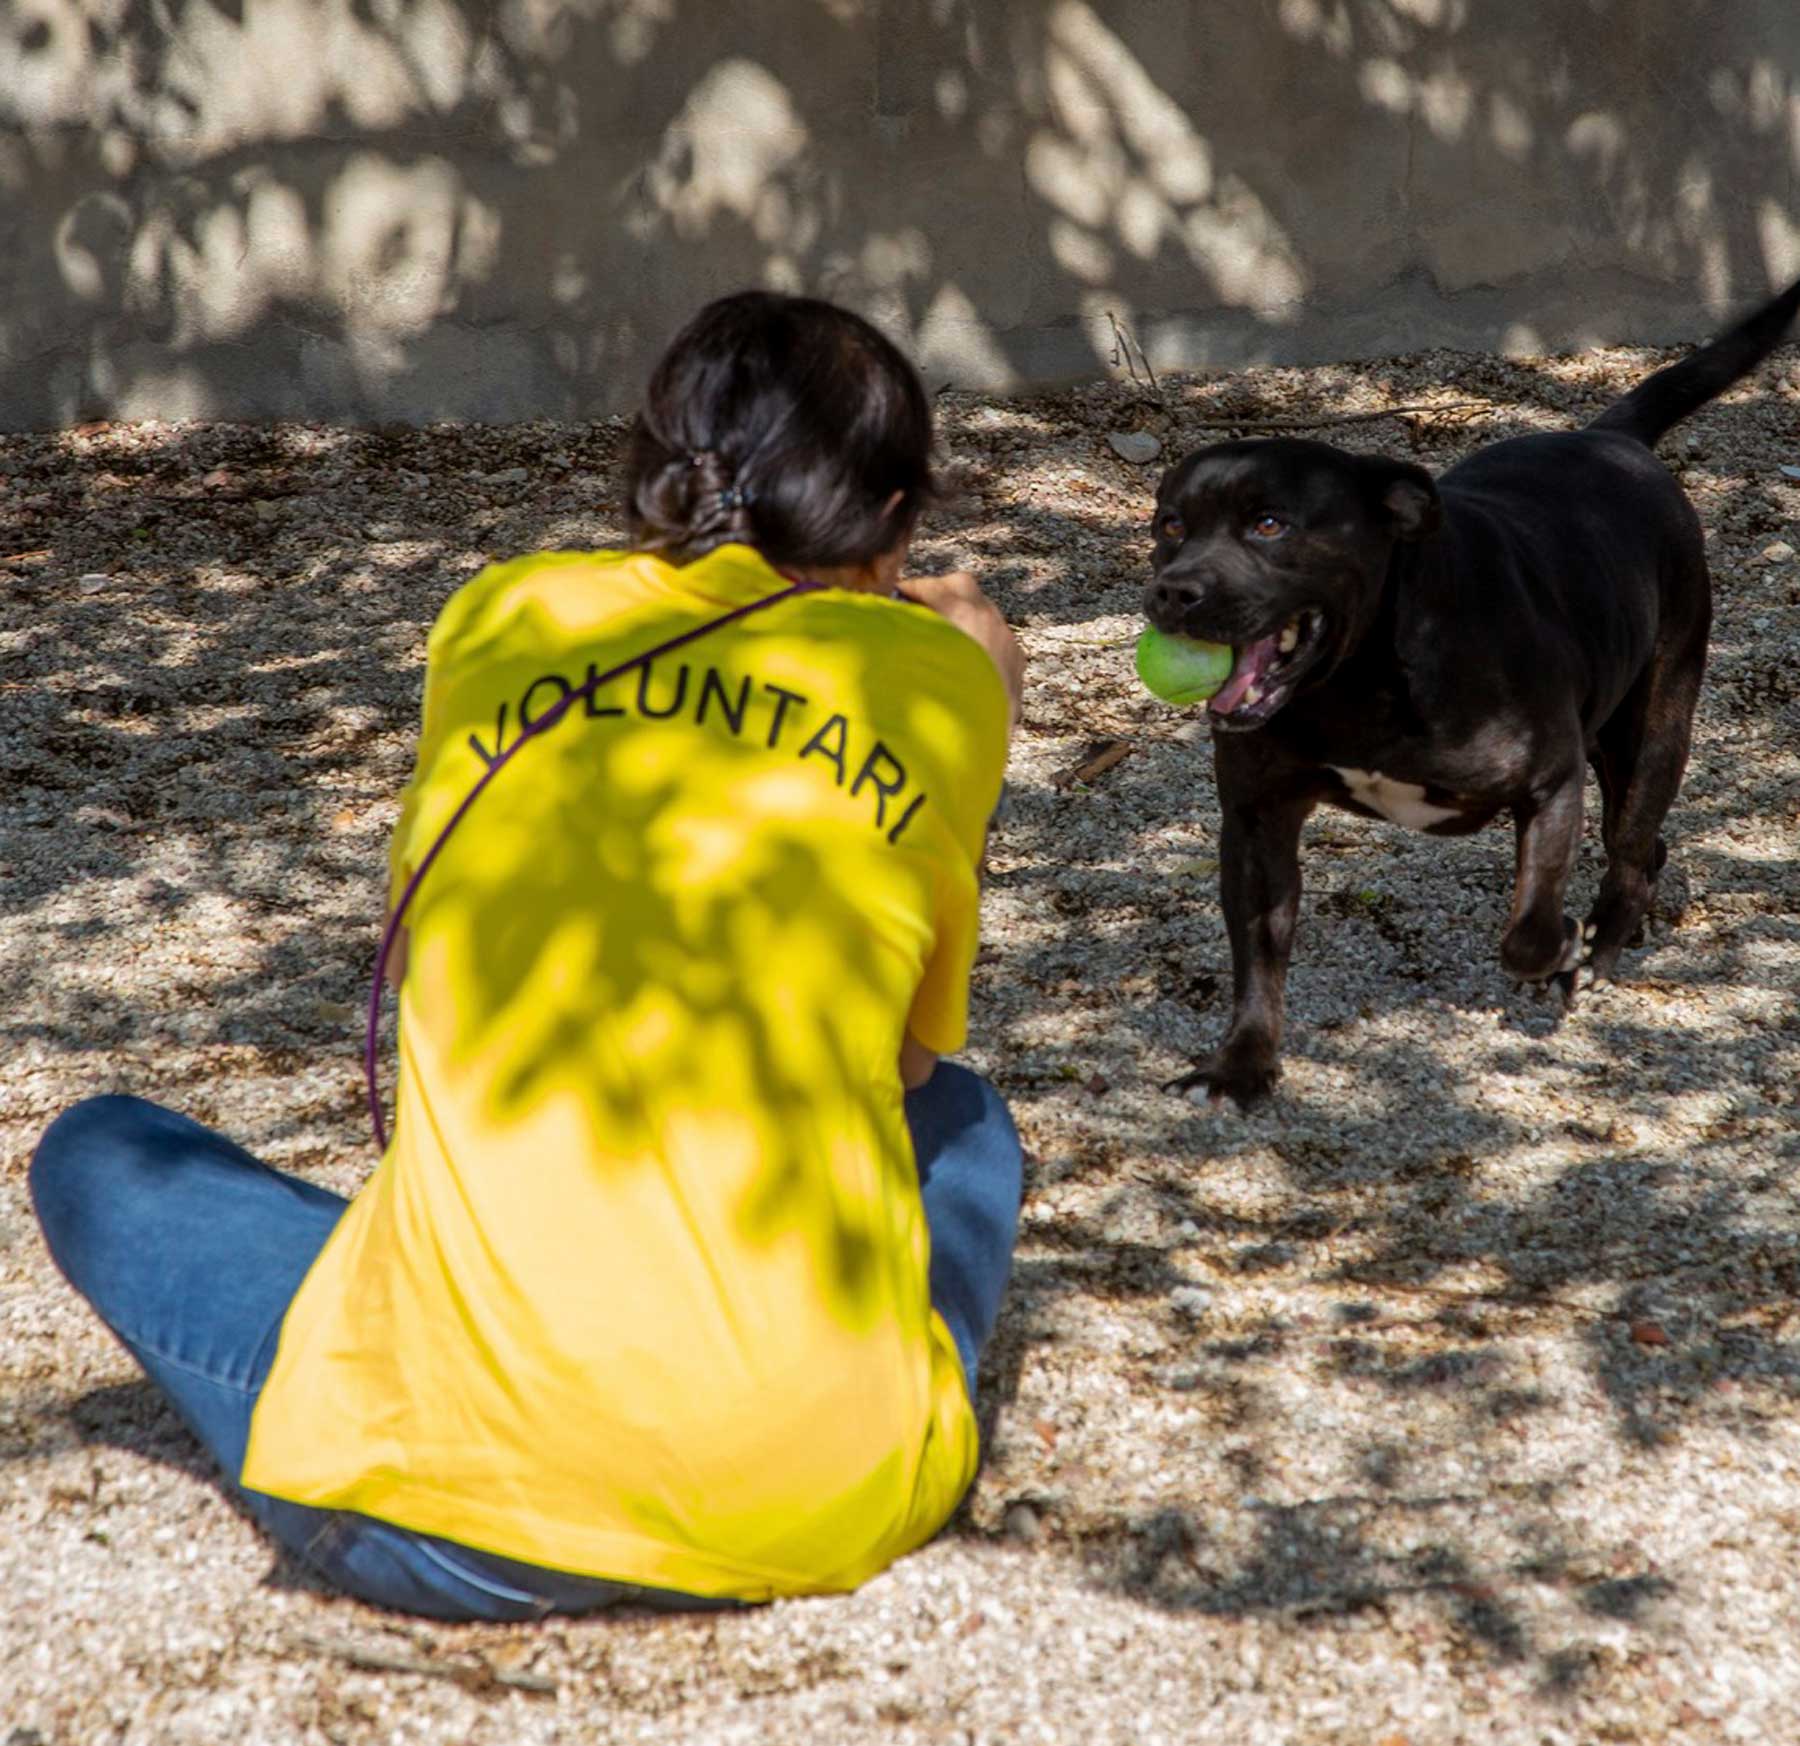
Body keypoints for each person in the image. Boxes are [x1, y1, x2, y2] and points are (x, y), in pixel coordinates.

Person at [30, 290, 1027, 1620]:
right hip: (815, 1503)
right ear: (896, 526)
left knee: (97, 1150)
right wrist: (982, 688)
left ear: (654, 476)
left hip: (433, 1509)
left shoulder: (495, 619)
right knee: (967, 1120)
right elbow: (907, 1061)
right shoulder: (938, 678)